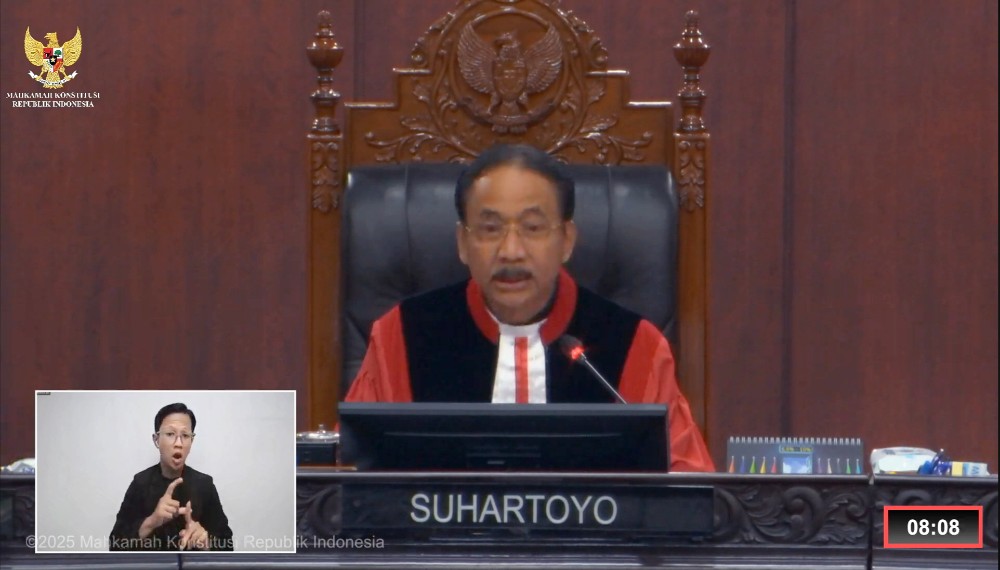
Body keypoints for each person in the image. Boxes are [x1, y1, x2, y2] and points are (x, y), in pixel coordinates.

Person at [344, 144, 715, 472]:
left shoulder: (635, 346)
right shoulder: (401, 337)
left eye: (533, 227)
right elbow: (347, 478)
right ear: (462, 243)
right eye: (490, 229)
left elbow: (687, 487)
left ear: (567, 240)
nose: (511, 251)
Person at [109, 403, 234, 550]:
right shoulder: (140, 483)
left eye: (185, 435)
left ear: (192, 441)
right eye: (170, 434)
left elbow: (228, 544)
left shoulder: (204, 485)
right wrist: (151, 522)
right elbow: (115, 544)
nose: (179, 443)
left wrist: (206, 542)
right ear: (156, 439)